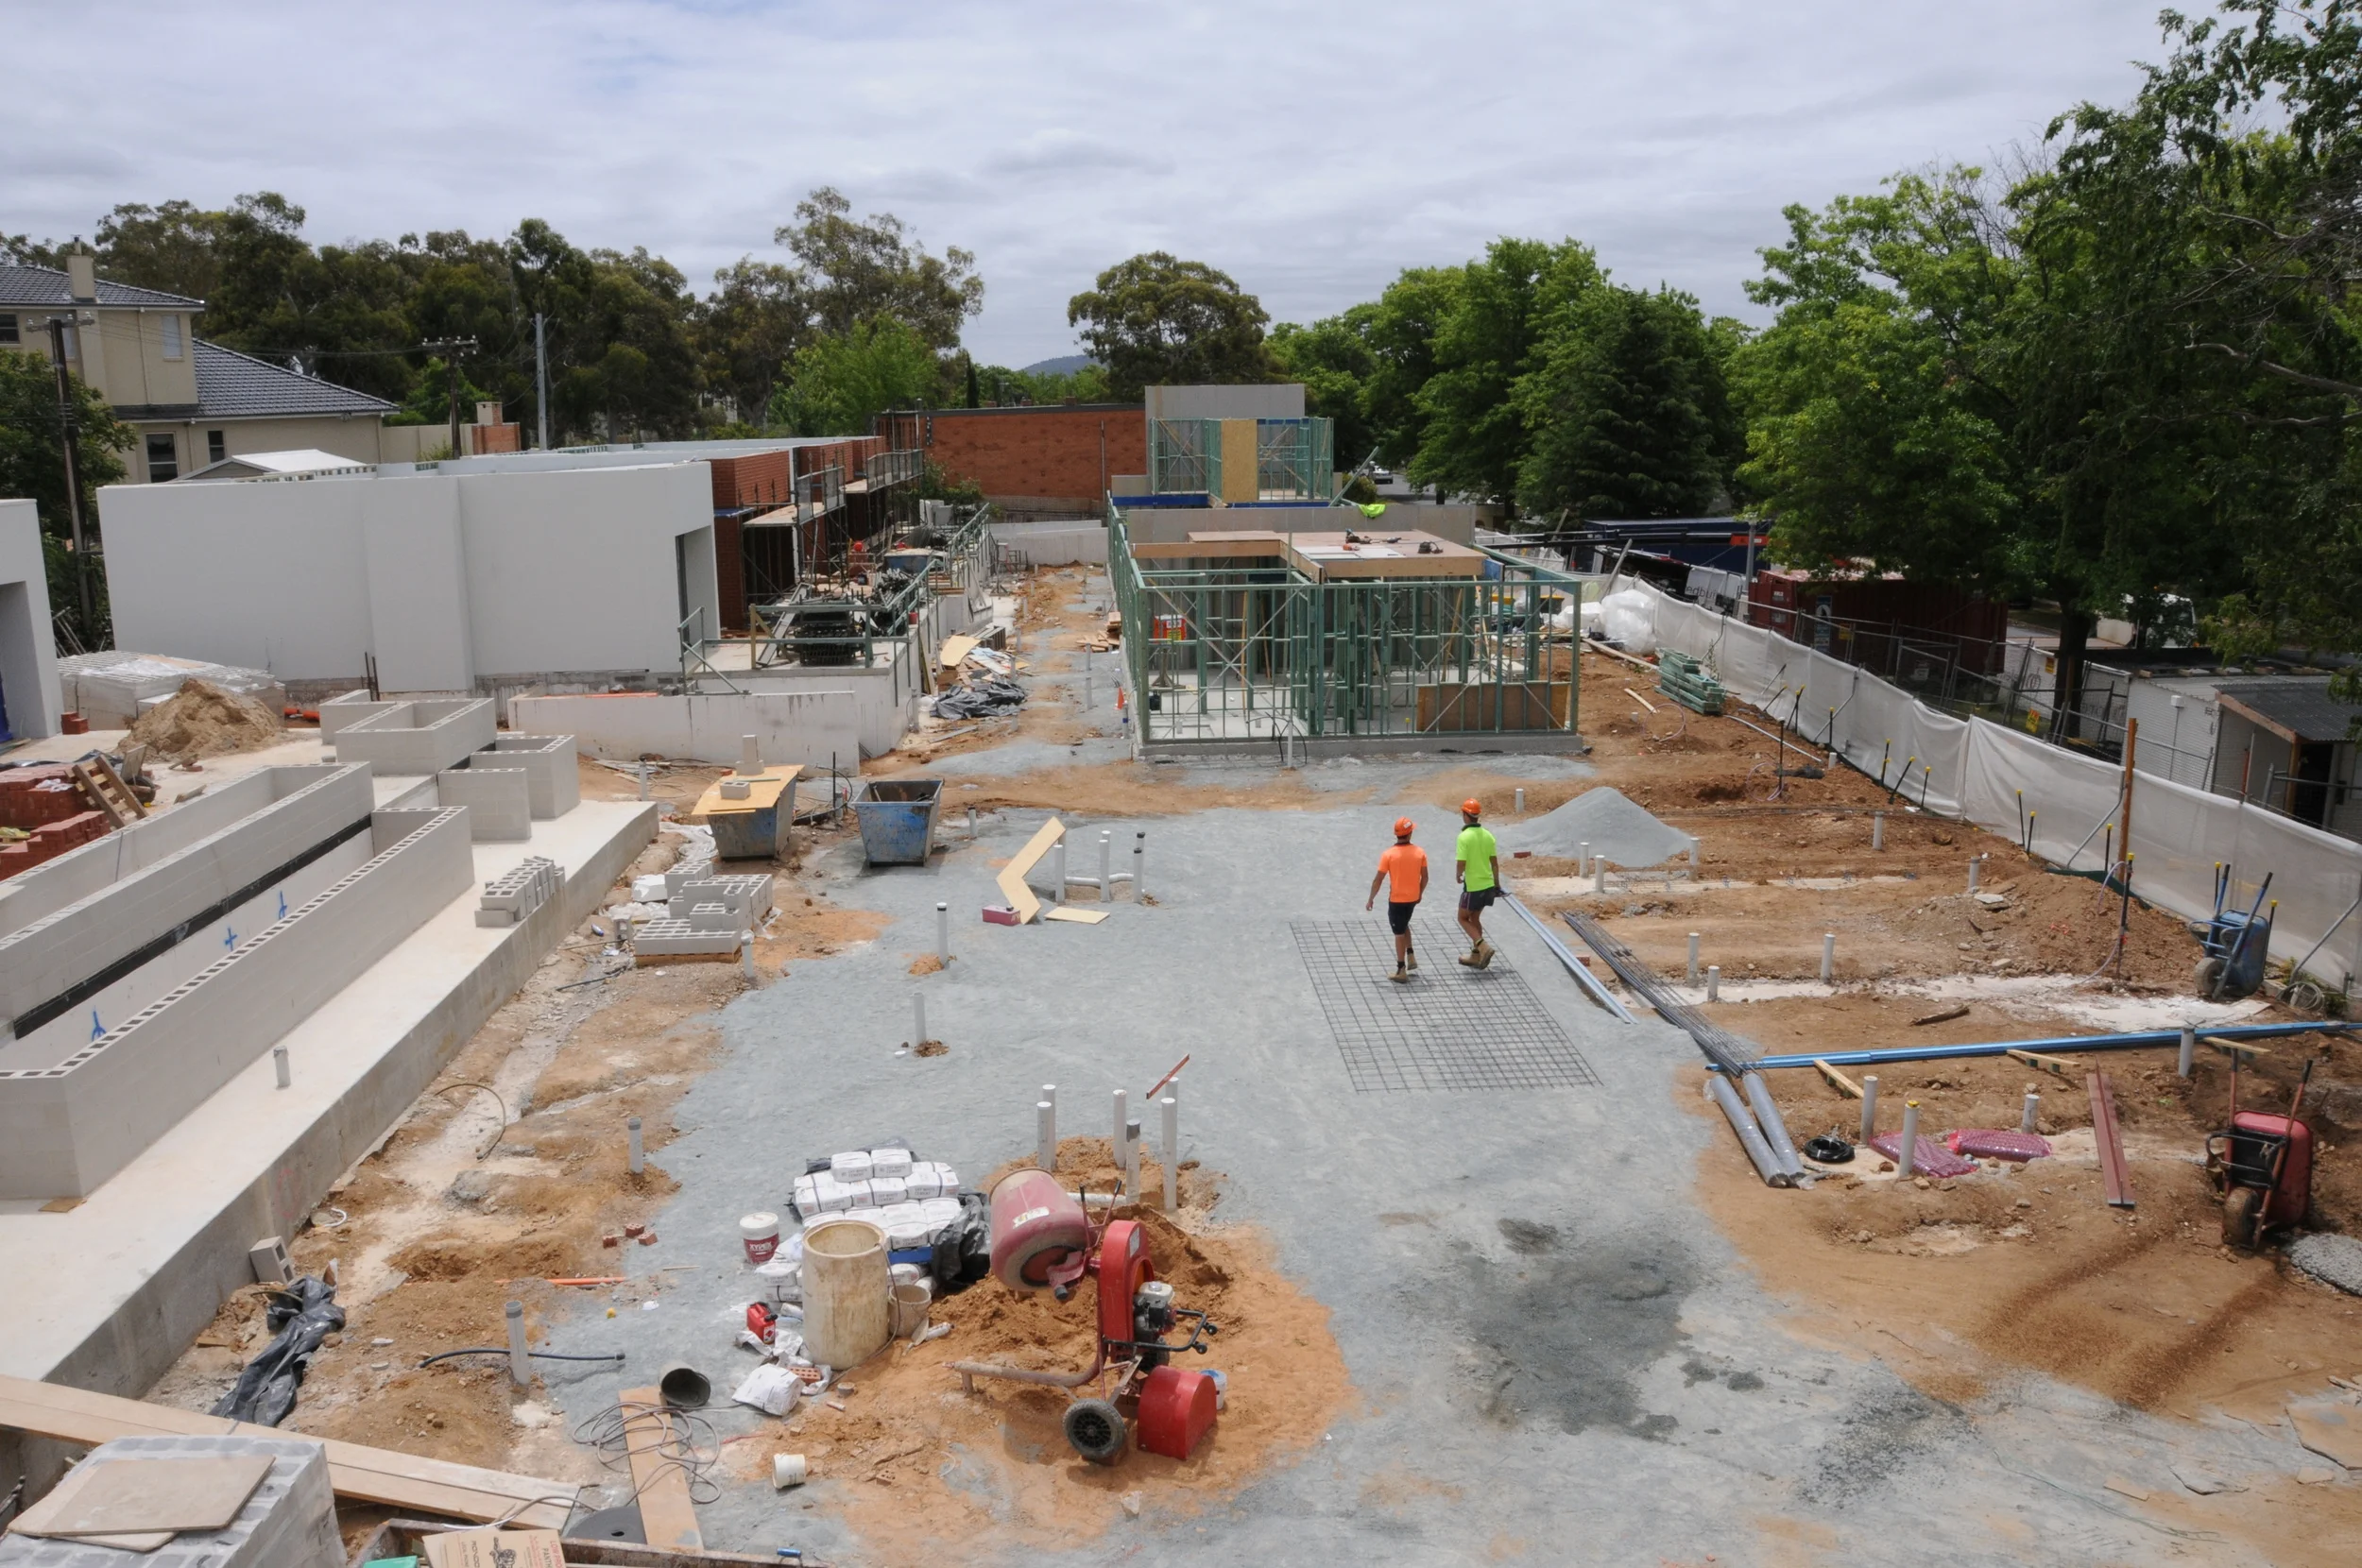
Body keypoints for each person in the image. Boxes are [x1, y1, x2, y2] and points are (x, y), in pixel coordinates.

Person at [1365, 817, 1429, 982]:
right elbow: (1425, 877)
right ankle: (1411, 955)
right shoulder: (1420, 852)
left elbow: (1378, 879)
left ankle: (1401, 969)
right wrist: (1420, 893)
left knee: (1398, 932)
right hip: (1412, 899)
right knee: (1404, 923)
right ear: (1410, 833)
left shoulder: (1388, 855)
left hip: (1397, 900)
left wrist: (1371, 898)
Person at [1454, 797, 1500, 967]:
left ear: (1466, 815)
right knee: (1474, 918)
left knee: (1462, 918)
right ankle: (1475, 955)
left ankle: (1483, 947)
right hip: (1488, 885)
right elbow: (1495, 863)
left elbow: (1461, 862)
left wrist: (1458, 875)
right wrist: (1497, 885)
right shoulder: (1488, 836)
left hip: (1473, 886)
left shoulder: (1464, 837)